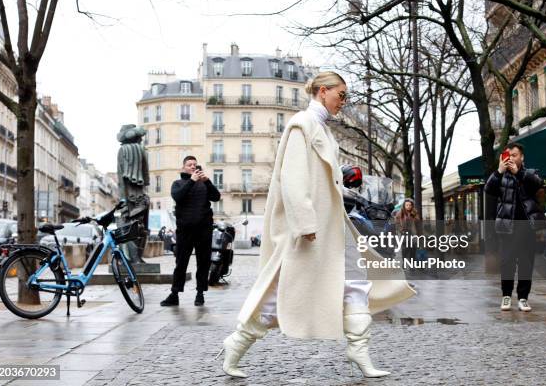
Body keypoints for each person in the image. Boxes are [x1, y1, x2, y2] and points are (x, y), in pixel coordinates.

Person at [217, 71, 415, 378]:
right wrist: (305, 223)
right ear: (323, 91)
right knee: (284, 291)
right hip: (312, 228)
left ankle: (359, 351)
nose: (343, 102)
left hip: (333, 225)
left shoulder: (319, 127)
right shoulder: (302, 124)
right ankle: (237, 343)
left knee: (356, 281)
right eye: (341, 95)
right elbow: (293, 180)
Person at [484, 142, 545, 312]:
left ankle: (523, 298)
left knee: (526, 263)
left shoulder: (530, 173)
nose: (511, 158)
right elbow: (488, 189)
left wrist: (519, 174)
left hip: (527, 227)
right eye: (508, 155)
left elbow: (538, 184)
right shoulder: (501, 175)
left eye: (515, 155)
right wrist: (498, 171)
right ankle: (506, 296)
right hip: (507, 226)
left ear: (522, 157)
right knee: (507, 262)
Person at [160, 156, 221, 307]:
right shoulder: (178, 183)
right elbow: (178, 197)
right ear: (184, 168)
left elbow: (216, 197)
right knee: (181, 262)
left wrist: (207, 181)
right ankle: (174, 294)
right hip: (185, 230)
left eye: (195, 164)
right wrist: (192, 180)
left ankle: (200, 294)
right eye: (189, 165)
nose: (193, 166)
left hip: (204, 230)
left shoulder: (204, 184)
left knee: (203, 262)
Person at [395, 198, 420, 265]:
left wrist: (413, 216)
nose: (408, 206)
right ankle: (405, 262)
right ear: (404, 205)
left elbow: (418, 223)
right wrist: (401, 230)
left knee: (413, 249)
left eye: (410, 205)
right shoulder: (400, 213)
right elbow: (397, 223)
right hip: (404, 233)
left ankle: (412, 264)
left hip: (413, 233)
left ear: (412, 206)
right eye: (407, 205)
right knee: (405, 249)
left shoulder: (414, 213)